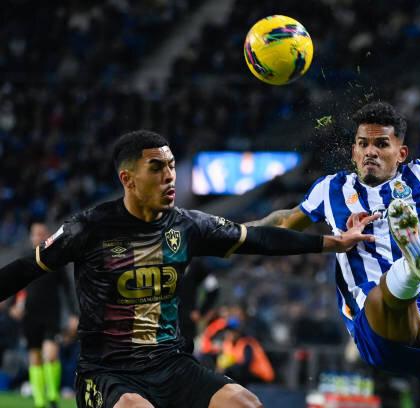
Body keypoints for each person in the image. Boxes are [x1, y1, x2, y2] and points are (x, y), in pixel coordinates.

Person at [0, 130, 376, 408]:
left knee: (246, 404)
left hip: (172, 365)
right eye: (156, 167)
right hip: (107, 373)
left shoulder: (188, 226)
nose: (169, 176)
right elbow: (26, 267)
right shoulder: (89, 228)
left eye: (171, 165)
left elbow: (260, 238)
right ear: (127, 179)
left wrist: (332, 242)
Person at [247, 76, 420, 407]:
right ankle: (410, 267)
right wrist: (228, 232)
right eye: (363, 144)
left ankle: (411, 267)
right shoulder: (331, 189)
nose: (370, 152)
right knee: (386, 296)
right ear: (353, 152)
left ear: (401, 153)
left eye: (381, 144)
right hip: (375, 320)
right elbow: (283, 223)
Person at [10, 222, 79, 408]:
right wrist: (12, 306)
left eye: (42, 233)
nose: (39, 237)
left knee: (51, 355)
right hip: (30, 315)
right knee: (35, 356)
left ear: (48, 235)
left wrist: (73, 314)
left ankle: (53, 396)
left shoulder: (56, 259)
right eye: (35, 233)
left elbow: (67, 289)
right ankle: (40, 401)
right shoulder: (25, 259)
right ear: (31, 237)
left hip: (51, 315)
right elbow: (15, 283)